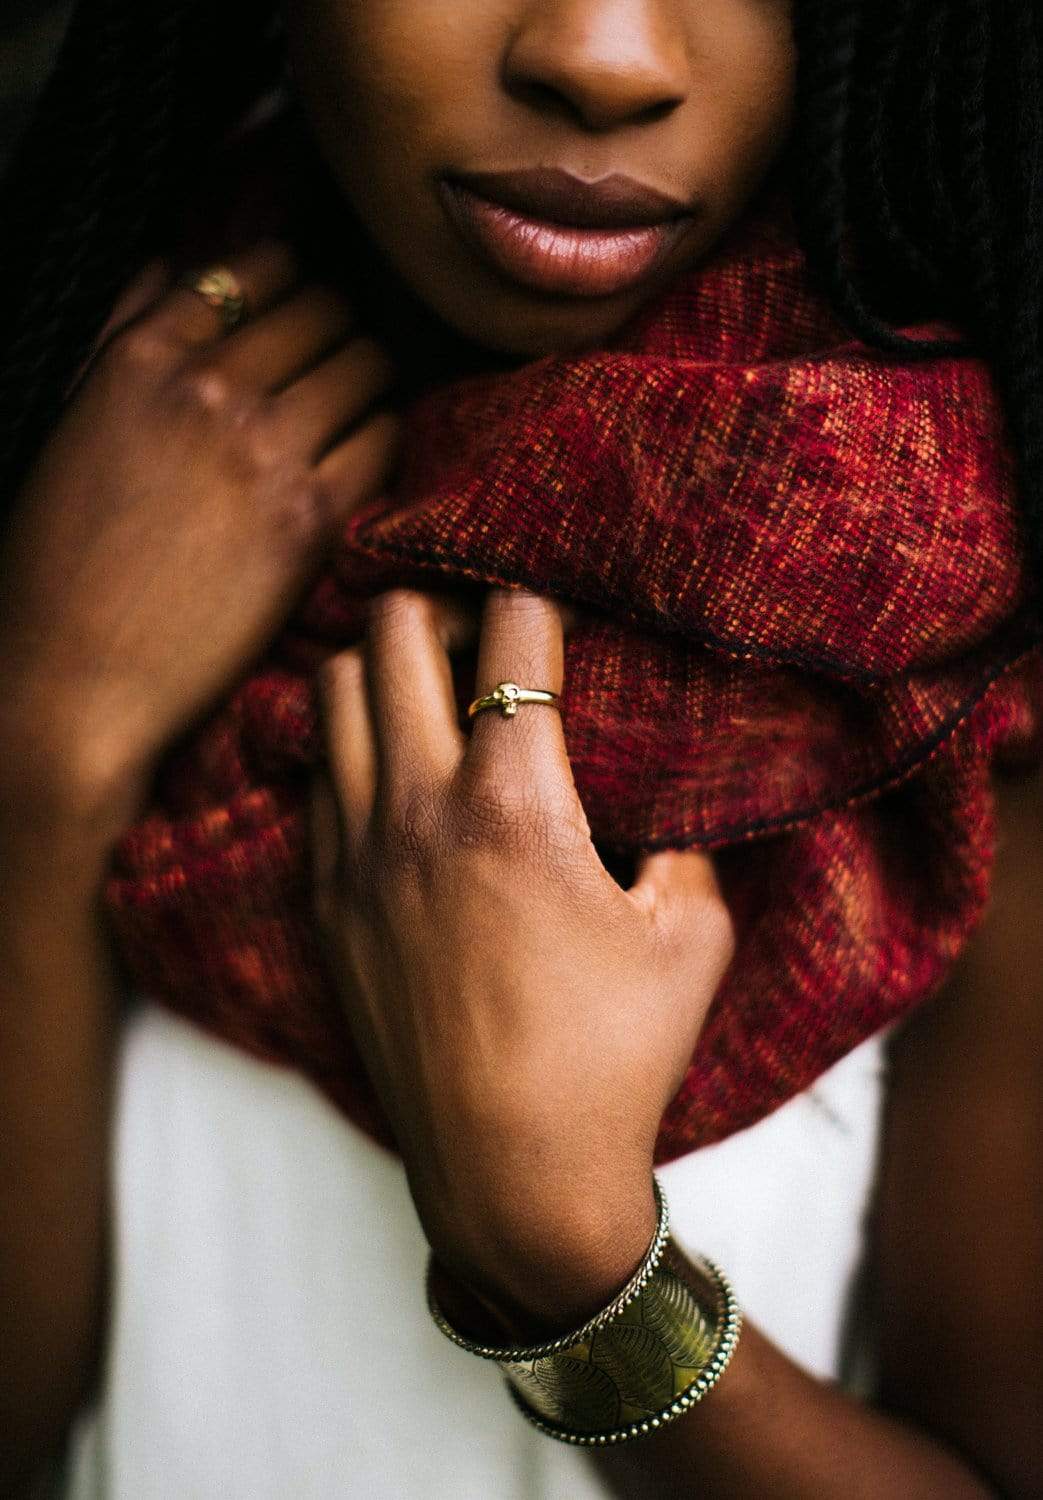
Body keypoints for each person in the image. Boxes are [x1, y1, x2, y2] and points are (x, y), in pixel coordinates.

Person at [0, 1, 1040, 1497]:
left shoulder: (965, 643)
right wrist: (47, 745)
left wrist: (570, 1261)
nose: (605, 56)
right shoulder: (77, 429)